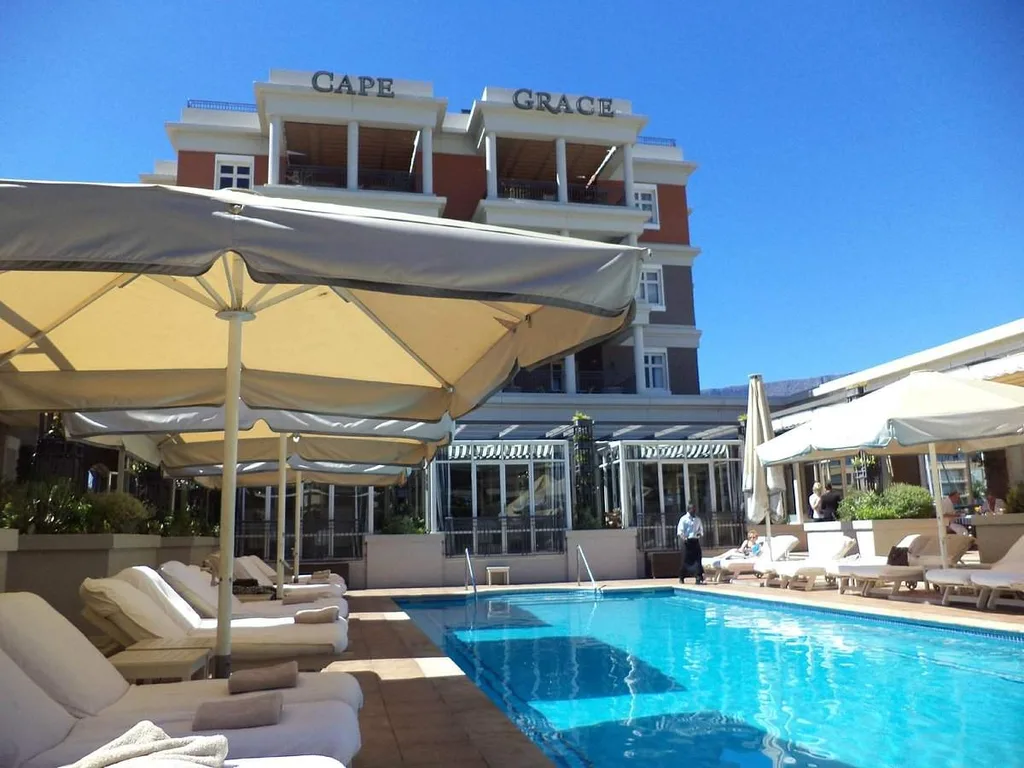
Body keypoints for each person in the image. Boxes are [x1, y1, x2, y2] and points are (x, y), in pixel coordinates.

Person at [677, 504, 705, 584]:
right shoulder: (683, 519)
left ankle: (698, 577)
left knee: (697, 559)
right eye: (693, 509)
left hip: (695, 541)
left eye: (695, 509)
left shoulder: (697, 519)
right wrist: (684, 538)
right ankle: (682, 577)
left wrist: (699, 534)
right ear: (689, 510)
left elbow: (701, 530)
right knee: (685, 560)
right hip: (687, 542)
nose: (694, 511)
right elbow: (680, 531)